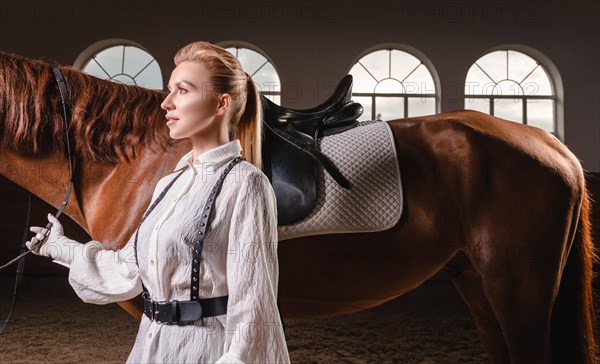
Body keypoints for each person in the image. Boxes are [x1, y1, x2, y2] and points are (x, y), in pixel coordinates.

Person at [26, 41, 290, 363]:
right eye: (169, 90)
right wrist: (58, 245)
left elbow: (254, 308)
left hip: (203, 352)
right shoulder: (170, 183)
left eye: (183, 90)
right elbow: (126, 269)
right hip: (150, 348)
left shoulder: (245, 183)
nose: (166, 103)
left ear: (222, 103)